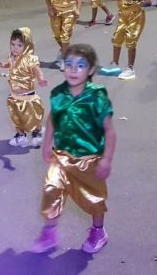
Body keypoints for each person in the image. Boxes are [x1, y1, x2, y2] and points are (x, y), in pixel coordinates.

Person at [31, 43, 115, 255]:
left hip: (89, 159)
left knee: (94, 199)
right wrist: (47, 143)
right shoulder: (58, 93)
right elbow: (52, 118)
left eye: (80, 65)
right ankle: (49, 231)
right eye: (68, 64)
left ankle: (98, 231)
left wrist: (106, 160)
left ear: (91, 70)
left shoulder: (97, 96)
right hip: (61, 156)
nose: (73, 69)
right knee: (51, 189)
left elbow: (109, 130)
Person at [0, 27, 47, 147]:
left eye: (19, 45)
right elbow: (10, 64)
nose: (15, 47)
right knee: (16, 119)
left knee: (32, 118)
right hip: (14, 97)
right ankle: (20, 135)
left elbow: (37, 70)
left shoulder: (29, 59)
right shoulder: (12, 57)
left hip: (28, 98)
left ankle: (37, 132)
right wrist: (4, 65)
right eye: (12, 44)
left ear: (27, 46)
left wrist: (40, 78)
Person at [99, 0, 147, 81]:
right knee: (117, 38)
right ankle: (115, 64)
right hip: (122, 14)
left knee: (130, 40)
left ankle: (130, 68)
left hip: (135, 14)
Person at [44, 0, 84, 70]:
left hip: (69, 11)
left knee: (65, 36)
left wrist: (77, 9)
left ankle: (66, 60)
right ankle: (66, 51)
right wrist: (50, 8)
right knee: (57, 35)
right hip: (55, 11)